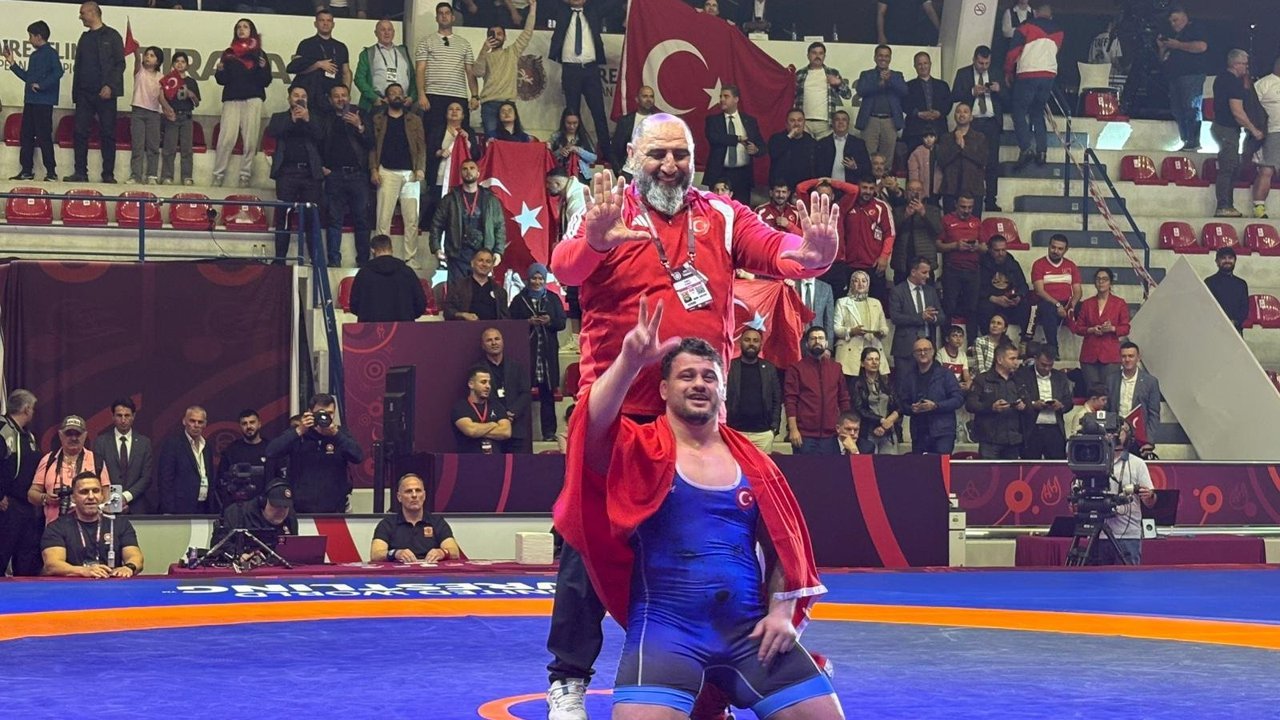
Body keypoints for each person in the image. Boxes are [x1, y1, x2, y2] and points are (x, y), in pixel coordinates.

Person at [545, 109, 839, 716]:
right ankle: (569, 678)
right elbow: (564, 267)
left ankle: (725, 673)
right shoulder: (607, 209)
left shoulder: (721, 213)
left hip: (697, 415)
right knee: (585, 534)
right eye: (657, 154)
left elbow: (779, 251)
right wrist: (594, 240)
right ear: (633, 156)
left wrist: (812, 255)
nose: (669, 165)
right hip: (616, 415)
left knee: (723, 541)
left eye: (679, 154)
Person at [555, 303, 840, 718]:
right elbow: (592, 428)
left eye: (709, 377)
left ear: (722, 391)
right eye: (686, 376)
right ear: (663, 389)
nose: (699, 384)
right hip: (666, 634)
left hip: (749, 635)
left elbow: (785, 545)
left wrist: (781, 612)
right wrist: (629, 363)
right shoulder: (640, 449)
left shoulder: (754, 463)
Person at [265, 393, 364, 513]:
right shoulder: (299, 434)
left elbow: (358, 457)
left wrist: (336, 435)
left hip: (334, 509)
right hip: (300, 508)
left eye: (330, 413)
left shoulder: (340, 434)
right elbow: (271, 452)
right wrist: (299, 431)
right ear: (310, 413)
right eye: (321, 413)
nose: (325, 417)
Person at [40, 473, 142, 578]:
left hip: (110, 583)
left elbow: (135, 557)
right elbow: (52, 565)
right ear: (73, 498)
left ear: (102, 496)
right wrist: (83, 571)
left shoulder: (120, 524)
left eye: (96, 491)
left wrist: (128, 567)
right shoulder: (57, 527)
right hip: (74, 584)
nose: (91, 496)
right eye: (84, 492)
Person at [67, 2, 125, 184]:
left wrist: (110, 86)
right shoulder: (84, 38)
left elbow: (120, 64)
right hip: (84, 94)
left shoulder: (112, 35)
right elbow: (79, 67)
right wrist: (76, 93)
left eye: (82, 13)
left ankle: (108, 174)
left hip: (105, 94)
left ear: (93, 13)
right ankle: (80, 173)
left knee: (108, 133)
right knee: (79, 132)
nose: (80, 17)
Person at [369, 84, 427, 265]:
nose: (397, 96)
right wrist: (373, 169)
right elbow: (372, 147)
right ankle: (382, 256)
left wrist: (421, 168)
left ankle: (410, 257)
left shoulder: (414, 120)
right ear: (386, 99)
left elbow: (421, 146)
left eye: (400, 93)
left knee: (412, 219)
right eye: (392, 93)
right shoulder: (378, 119)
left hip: (410, 174)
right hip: (386, 172)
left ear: (404, 97)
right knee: (383, 218)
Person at [549, 0, 611, 169]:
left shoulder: (593, 10)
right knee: (572, 113)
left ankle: (608, 154)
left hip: (590, 69)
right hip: (571, 70)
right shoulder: (562, 11)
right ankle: (572, 153)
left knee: (599, 113)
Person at [509, 264, 568, 441]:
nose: (537, 282)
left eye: (540, 278)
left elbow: (562, 323)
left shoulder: (553, 299)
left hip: (547, 355)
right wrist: (527, 322)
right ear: (528, 279)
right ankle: (521, 433)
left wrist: (549, 321)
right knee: (522, 394)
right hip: (527, 353)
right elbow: (510, 323)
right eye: (534, 278)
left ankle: (549, 433)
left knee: (548, 395)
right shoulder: (519, 300)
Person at [213, 18, 272, 189]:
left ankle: (245, 176)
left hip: (253, 99)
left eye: (245, 27)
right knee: (226, 138)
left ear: (251, 30)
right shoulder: (229, 53)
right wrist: (220, 71)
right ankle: (218, 175)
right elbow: (222, 80)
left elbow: (266, 81)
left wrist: (263, 68)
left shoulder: (259, 53)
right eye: (239, 27)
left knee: (250, 140)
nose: (241, 29)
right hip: (232, 98)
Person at [268, 84, 325, 264]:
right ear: (289, 99)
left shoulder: (316, 118)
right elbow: (273, 132)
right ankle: (280, 260)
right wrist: (291, 120)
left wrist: (307, 119)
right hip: (287, 173)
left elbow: (322, 136)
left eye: (303, 96)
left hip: (310, 174)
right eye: (296, 95)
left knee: (311, 218)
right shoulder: (279, 117)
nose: (300, 99)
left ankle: (314, 259)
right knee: (283, 218)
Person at [320, 84, 375, 267]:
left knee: (362, 220)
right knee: (334, 220)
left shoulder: (361, 114)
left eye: (344, 95)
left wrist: (359, 126)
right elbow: (317, 143)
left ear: (349, 98)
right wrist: (321, 167)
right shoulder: (325, 117)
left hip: (358, 176)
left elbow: (371, 143)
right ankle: (334, 262)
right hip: (334, 175)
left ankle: (364, 263)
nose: (341, 99)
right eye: (336, 96)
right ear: (330, 100)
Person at [1005, 1, 1063, 171]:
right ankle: (1042, 151)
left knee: (1019, 110)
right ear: (1050, 15)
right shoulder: (1059, 31)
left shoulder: (1025, 27)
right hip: (1049, 75)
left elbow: (1013, 52)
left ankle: (1025, 148)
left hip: (1028, 74)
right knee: (1037, 112)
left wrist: (1008, 71)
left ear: (1035, 13)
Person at [1091, 419, 1156, 565]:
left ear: (1129, 436)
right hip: (1097, 534)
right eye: (1110, 430)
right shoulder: (1094, 462)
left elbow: (1150, 502)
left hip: (1128, 535)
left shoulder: (1138, 464)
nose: (1114, 434)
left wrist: (1149, 496)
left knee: (1128, 578)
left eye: (1120, 430)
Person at [4, 21, 63, 182]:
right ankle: (26, 170)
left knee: (44, 136)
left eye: (30, 36)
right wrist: (12, 63)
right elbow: (28, 78)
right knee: (26, 135)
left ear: (39, 36)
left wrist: (42, 85)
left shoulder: (50, 53)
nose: (29, 39)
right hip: (30, 101)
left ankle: (51, 172)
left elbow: (59, 72)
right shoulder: (35, 56)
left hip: (44, 102)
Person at [433, 163, 506, 286]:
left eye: (472, 168)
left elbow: (500, 227)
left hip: (483, 255)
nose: (468, 171)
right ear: (460, 173)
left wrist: (498, 251)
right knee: (457, 293)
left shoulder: (490, 199)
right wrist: (436, 248)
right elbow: (436, 224)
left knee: (481, 292)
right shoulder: (450, 199)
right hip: (457, 255)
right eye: (465, 169)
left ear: (478, 173)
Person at [30, 416, 110, 527]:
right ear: (60, 435)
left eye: (78, 434)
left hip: (89, 526)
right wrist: (45, 498)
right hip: (55, 526)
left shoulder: (96, 460)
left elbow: (106, 496)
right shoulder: (48, 460)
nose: (73, 438)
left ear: (85, 435)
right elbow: (32, 494)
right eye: (69, 434)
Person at [1211, 50, 1264, 218]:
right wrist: (1253, 129)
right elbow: (1237, 112)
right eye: (1244, 64)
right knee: (1228, 167)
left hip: (1221, 127)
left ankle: (1227, 205)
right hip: (1227, 129)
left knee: (1231, 166)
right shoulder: (1232, 83)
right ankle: (1224, 205)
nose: (1246, 68)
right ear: (1235, 64)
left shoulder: (1221, 79)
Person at [952, 46, 1004, 211]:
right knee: (969, 162)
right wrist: (971, 92)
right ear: (974, 59)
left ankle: (991, 200)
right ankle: (968, 199)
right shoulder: (963, 73)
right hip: (972, 123)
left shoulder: (996, 73)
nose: (983, 66)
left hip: (991, 122)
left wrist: (999, 90)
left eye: (987, 63)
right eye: (981, 63)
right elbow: (954, 96)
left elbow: (1009, 99)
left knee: (992, 163)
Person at [415, 2, 478, 135]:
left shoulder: (464, 44)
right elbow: (420, 69)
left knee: (460, 136)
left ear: (453, 17)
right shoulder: (426, 41)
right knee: (432, 135)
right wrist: (421, 94)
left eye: (447, 13)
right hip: (434, 95)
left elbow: (470, 71)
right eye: (441, 13)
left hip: (458, 95)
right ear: (436, 18)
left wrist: (474, 96)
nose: (444, 16)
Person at [786, 327, 851, 455]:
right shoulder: (796, 369)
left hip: (832, 436)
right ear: (807, 343)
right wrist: (793, 430)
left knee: (832, 468)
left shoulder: (836, 368)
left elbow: (843, 399)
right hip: (804, 436)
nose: (817, 341)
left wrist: (846, 429)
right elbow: (790, 401)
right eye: (813, 338)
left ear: (826, 343)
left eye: (821, 338)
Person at [474, 5, 537, 135]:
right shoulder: (485, 55)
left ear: (505, 37)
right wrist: (484, 49)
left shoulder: (512, 52)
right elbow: (478, 72)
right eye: (492, 34)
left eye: (499, 34)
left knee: (511, 140)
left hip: (508, 104)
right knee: (492, 141)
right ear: (487, 37)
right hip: (489, 104)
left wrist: (533, 9)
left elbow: (527, 32)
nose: (496, 37)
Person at [833, 173, 896, 300]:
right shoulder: (847, 205)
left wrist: (884, 257)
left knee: (876, 303)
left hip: (873, 265)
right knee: (848, 303)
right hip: (849, 265)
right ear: (857, 187)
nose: (868, 191)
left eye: (871, 188)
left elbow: (890, 234)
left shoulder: (881, 207)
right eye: (864, 187)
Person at [371, 473, 460, 562]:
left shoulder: (437, 522)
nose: (414, 495)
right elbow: (375, 554)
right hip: (400, 570)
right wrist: (395, 553)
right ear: (399, 497)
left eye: (418, 490)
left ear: (424, 495)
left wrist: (442, 552)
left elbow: (455, 552)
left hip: (430, 569)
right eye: (408, 491)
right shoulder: (387, 524)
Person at [897, 337, 964, 454]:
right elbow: (902, 402)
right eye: (919, 350)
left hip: (943, 432)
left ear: (933, 352)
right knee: (920, 465)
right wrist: (911, 408)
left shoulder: (945, 374)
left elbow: (958, 399)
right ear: (914, 354)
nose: (922, 353)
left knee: (940, 464)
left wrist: (936, 406)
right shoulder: (909, 376)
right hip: (919, 432)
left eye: (926, 350)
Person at [0, 390, 41, 576]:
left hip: (28, 504)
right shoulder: (2, 429)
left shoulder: (28, 436)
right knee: (2, 551)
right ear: (26, 409)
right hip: (7, 504)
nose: (33, 412)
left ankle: (25, 592)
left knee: (26, 555)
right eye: (32, 408)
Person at [1070, 267, 1130, 391]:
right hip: (1089, 354)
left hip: (1110, 355)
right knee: (1092, 392)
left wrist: (1112, 328)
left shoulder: (1119, 303)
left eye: (1104, 279)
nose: (1101, 282)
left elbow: (1126, 328)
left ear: (1110, 283)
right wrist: (1091, 330)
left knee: (1109, 392)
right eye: (1098, 279)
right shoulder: (1087, 303)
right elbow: (1078, 328)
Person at [704, 85, 765, 206]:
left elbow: (762, 146)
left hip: (742, 175)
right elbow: (714, 138)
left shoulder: (749, 121)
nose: (722, 99)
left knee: (741, 209)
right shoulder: (713, 120)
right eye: (721, 96)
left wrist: (756, 150)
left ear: (736, 99)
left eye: (726, 96)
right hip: (720, 173)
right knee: (717, 209)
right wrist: (737, 139)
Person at [91, 399, 154, 515]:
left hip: (137, 505)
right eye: (119, 415)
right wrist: (115, 500)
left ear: (133, 416)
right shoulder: (101, 442)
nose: (123, 420)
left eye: (127, 415)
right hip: (108, 505)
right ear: (113, 417)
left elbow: (146, 477)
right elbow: (97, 475)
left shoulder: (144, 443)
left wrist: (125, 497)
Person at [1159, 7, 1209, 152]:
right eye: (1171, 22)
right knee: (1177, 109)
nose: (1173, 24)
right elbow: (1162, 60)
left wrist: (1178, 45)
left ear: (1184, 17)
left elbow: (1202, 46)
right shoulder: (1174, 36)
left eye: (1175, 20)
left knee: (1191, 107)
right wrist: (1162, 48)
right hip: (1175, 76)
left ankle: (1194, 141)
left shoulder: (1194, 29)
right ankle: (1186, 140)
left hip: (1191, 74)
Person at [937, 194, 986, 342]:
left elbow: (985, 247)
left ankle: (972, 345)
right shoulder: (946, 220)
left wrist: (977, 247)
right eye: (963, 207)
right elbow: (938, 245)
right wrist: (955, 246)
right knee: (949, 308)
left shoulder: (976, 222)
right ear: (955, 205)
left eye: (970, 207)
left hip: (973, 271)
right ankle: (946, 343)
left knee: (973, 309)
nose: (966, 210)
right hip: (953, 270)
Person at [727, 329, 783, 453]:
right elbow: (721, 398)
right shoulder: (730, 367)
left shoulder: (769, 369)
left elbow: (776, 400)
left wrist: (773, 429)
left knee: (762, 466)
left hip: (763, 435)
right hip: (735, 432)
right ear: (740, 342)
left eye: (755, 340)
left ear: (761, 344)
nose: (751, 344)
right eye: (747, 340)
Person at [966, 344, 1026, 459]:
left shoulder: (1019, 380)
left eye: (1017, 358)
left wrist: (1023, 406)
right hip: (989, 439)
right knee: (989, 470)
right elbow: (970, 404)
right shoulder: (982, 379)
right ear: (999, 360)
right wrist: (991, 407)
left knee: (1011, 471)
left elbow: (1027, 402)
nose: (1016, 362)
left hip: (1013, 438)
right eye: (1012, 358)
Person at [350, 234, 428, 322]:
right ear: (391, 249)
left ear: (372, 250)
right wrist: (408, 316)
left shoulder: (363, 274)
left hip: (371, 328)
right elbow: (421, 304)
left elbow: (354, 305)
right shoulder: (407, 272)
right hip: (403, 328)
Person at [855, 45, 909, 169]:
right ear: (875, 57)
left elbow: (904, 91)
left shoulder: (897, 75)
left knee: (887, 159)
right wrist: (878, 83)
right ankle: (868, 180)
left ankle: (885, 181)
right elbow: (861, 90)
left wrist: (889, 80)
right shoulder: (866, 74)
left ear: (890, 58)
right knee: (868, 157)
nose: (883, 58)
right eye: (880, 55)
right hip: (870, 120)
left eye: (886, 56)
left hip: (890, 121)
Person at [287, 9, 352, 111]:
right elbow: (296, 69)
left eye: (328, 20)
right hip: (312, 95)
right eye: (322, 20)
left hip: (333, 98)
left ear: (333, 24)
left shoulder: (341, 47)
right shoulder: (306, 44)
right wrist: (318, 65)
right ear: (315, 24)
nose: (325, 23)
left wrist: (346, 93)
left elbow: (346, 72)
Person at [480, 328, 533, 453]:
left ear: (503, 342)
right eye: (489, 340)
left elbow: (525, 393)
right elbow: (478, 397)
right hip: (492, 429)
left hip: (516, 429)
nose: (494, 343)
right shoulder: (478, 369)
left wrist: (512, 412)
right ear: (483, 345)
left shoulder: (516, 367)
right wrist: (501, 416)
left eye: (497, 339)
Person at [889, 256, 945, 370]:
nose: (928, 276)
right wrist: (921, 317)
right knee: (904, 380)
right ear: (913, 272)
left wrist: (933, 318)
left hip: (928, 346)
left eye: (928, 272)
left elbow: (942, 316)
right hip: (905, 348)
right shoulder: (898, 291)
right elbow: (896, 317)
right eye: (924, 272)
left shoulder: (931, 291)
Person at [1030, 233, 1081, 361]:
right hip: (1048, 302)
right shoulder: (1039, 264)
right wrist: (1057, 305)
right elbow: (1039, 291)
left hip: (1068, 302)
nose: (1055, 251)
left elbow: (1078, 291)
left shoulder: (1071, 265)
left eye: (1060, 249)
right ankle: (1053, 348)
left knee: (1088, 307)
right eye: (1053, 247)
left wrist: (1072, 306)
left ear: (1066, 250)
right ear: (1049, 246)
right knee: (1048, 309)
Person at [157, 406, 216, 515]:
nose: (196, 425)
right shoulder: (173, 444)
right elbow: (165, 480)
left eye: (200, 422)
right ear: (184, 421)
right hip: (180, 508)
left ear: (205, 424)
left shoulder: (207, 446)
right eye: (192, 421)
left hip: (204, 506)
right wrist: (168, 510)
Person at [1015, 347, 1072, 460]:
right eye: (1043, 365)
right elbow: (1017, 397)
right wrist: (1033, 404)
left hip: (1054, 428)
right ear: (1035, 359)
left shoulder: (1060, 377)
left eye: (1050, 365)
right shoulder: (1022, 375)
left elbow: (1069, 401)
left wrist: (1060, 405)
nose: (1047, 368)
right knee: (1030, 464)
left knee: (1056, 464)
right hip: (1032, 428)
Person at [833, 270, 888, 379]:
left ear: (868, 284)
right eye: (856, 281)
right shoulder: (842, 302)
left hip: (872, 350)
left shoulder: (876, 303)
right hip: (849, 352)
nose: (860, 284)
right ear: (851, 283)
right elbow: (836, 329)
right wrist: (852, 331)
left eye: (864, 281)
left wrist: (881, 332)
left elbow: (884, 327)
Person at [354, 18, 416, 113]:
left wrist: (412, 97)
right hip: (378, 103)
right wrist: (374, 98)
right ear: (376, 33)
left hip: (402, 103)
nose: (386, 33)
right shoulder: (368, 53)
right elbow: (359, 79)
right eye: (383, 30)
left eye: (389, 30)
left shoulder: (403, 51)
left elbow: (413, 77)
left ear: (393, 32)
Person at [1108, 342, 1161, 450]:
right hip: (1115, 437)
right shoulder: (1111, 380)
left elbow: (1154, 415)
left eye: (1131, 356)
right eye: (1124, 356)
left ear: (1138, 358)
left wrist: (1149, 441)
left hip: (1139, 438)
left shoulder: (1151, 382)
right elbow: (1106, 409)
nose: (1127, 359)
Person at [794, 41, 852, 140]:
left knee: (825, 149)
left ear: (824, 56)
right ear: (808, 56)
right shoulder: (799, 74)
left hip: (826, 123)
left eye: (821, 53)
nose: (817, 56)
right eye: (814, 53)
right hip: (804, 122)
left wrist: (839, 83)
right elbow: (790, 95)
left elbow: (847, 95)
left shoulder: (832, 73)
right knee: (804, 149)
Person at [213, 480, 299, 545]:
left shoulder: (290, 518)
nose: (281, 511)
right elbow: (220, 545)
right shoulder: (236, 513)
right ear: (263, 502)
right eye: (277, 506)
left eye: (285, 507)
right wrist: (240, 555)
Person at [159, 51, 201, 186]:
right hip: (172, 116)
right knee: (169, 148)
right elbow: (162, 98)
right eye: (177, 61)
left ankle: (187, 176)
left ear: (187, 65)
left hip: (186, 117)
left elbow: (197, 103)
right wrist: (167, 110)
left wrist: (191, 95)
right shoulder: (169, 80)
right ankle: (167, 176)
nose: (180, 64)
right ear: (173, 64)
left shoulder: (191, 81)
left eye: (183, 62)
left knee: (187, 149)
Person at [937, 105, 988, 213]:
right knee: (949, 222)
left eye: (965, 112)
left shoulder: (980, 137)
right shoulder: (946, 138)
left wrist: (963, 146)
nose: (961, 114)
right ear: (954, 116)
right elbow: (942, 161)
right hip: (951, 188)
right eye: (958, 112)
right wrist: (957, 144)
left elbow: (982, 160)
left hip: (974, 188)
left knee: (974, 222)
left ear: (971, 117)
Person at [217, 409, 274, 506]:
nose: (249, 426)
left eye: (252, 422)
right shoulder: (231, 450)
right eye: (244, 423)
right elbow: (222, 479)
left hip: (265, 505)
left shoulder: (271, 449)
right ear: (240, 426)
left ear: (259, 424)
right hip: (238, 505)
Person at [452, 365, 513, 453]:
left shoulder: (497, 406)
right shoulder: (461, 407)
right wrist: (493, 424)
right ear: (471, 384)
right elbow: (471, 431)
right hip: (469, 458)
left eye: (489, 382)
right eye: (483, 382)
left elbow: (506, 432)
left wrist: (479, 430)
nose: (488, 386)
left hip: (495, 458)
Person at [976, 234, 1030, 334]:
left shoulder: (1012, 264)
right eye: (997, 250)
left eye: (1003, 250)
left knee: (1025, 305)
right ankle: (987, 339)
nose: (1001, 253)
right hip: (990, 301)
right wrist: (993, 298)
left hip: (1009, 302)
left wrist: (1018, 296)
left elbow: (1023, 285)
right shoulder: (980, 264)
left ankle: (1025, 339)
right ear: (989, 249)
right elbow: (975, 288)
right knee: (983, 307)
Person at [890, 180, 941, 283]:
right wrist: (905, 215)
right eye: (911, 190)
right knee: (901, 290)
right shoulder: (897, 210)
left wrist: (923, 213)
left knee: (927, 291)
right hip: (902, 260)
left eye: (918, 190)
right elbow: (891, 231)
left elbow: (937, 230)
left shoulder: (933, 210)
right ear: (905, 193)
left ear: (923, 193)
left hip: (925, 260)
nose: (914, 193)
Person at [903, 52, 952, 154]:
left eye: (925, 63)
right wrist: (918, 113)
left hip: (939, 128)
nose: (923, 67)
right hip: (915, 130)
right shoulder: (908, 86)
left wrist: (939, 113)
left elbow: (948, 103)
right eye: (919, 64)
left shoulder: (942, 85)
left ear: (930, 64)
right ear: (915, 66)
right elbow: (904, 104)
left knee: (939, 159)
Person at [445, 249, 510, 321]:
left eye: (488, 261)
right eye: (480, 260)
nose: (484, 264)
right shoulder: (458, 286)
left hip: (493, 327)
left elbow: (505, 318)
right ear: (472, 263)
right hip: (465, 326)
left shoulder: (500, 291)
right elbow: (448, 312)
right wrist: (463, 315)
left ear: (492, 266)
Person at [1252, 58, 1280, 218]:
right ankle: (1259, 206)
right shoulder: (1264, 84)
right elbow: (1251, 107)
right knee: (1267, 169)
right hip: (1273, 131)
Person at [814, 110, 870, 184]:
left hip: (850, 186)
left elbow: (867, 167)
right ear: (832, 123)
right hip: (827, 186)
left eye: (844, 120)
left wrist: (855, 167)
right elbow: (816, 167)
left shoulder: (858, 144)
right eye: (837, 119)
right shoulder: (822, 143)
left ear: (848, 124)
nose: (841, 122)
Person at [612, 85, 658, 172]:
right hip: (630, 170)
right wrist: (618, 169)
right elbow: (616, 147)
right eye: (645, 96)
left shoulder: (660, 121)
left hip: (652, 171)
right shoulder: (625, 121)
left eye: (651, 96)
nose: (649, 99)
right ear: (637, 99)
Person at [768, 109, 817, 191]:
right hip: (782, 187)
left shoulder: (811, 141)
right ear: (786, 124)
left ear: (804, 123)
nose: (796, 124)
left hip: (804, 187)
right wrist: (790, 136)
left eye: (800, 120)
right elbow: (774, 153)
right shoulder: (776, 139)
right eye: (792, 121)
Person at [1205, 246, 1249, 334]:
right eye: (1223, 258)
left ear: (1235, 261)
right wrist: (1219, 323)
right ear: (1217, 262)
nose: (1227, 261)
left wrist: (1235, 322)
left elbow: (1244, 309)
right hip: (1213, 329)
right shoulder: (1209, 282)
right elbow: (1206, 307)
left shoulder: (1241, 284)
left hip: (1235, 329)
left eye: (1230, 258)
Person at [549, 109, 598, 183]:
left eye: (575, 123)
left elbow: (593, 158)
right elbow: (549, 157)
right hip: (561, 176)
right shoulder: (556, 136)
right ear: (563, 122)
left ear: (579, 122)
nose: (572, 126)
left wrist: (578, 150)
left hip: (581, 176)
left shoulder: (583, 137)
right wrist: (559, 152)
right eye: (568, 123)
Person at [795, 276, 836, 353]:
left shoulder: (825, 288)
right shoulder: (792, 284)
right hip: (795, 339)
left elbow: (829, 320)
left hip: (818, 342)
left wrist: (828, 348)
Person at [907, 131, 942, 201]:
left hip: (937, 188)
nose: (929, 140)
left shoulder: (940, 150)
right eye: (926, 137)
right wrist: (915, 188)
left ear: (936, 138)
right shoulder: (917, 152)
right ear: (922, 138)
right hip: (922, 188)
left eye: (931, 137)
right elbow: (913, 172)